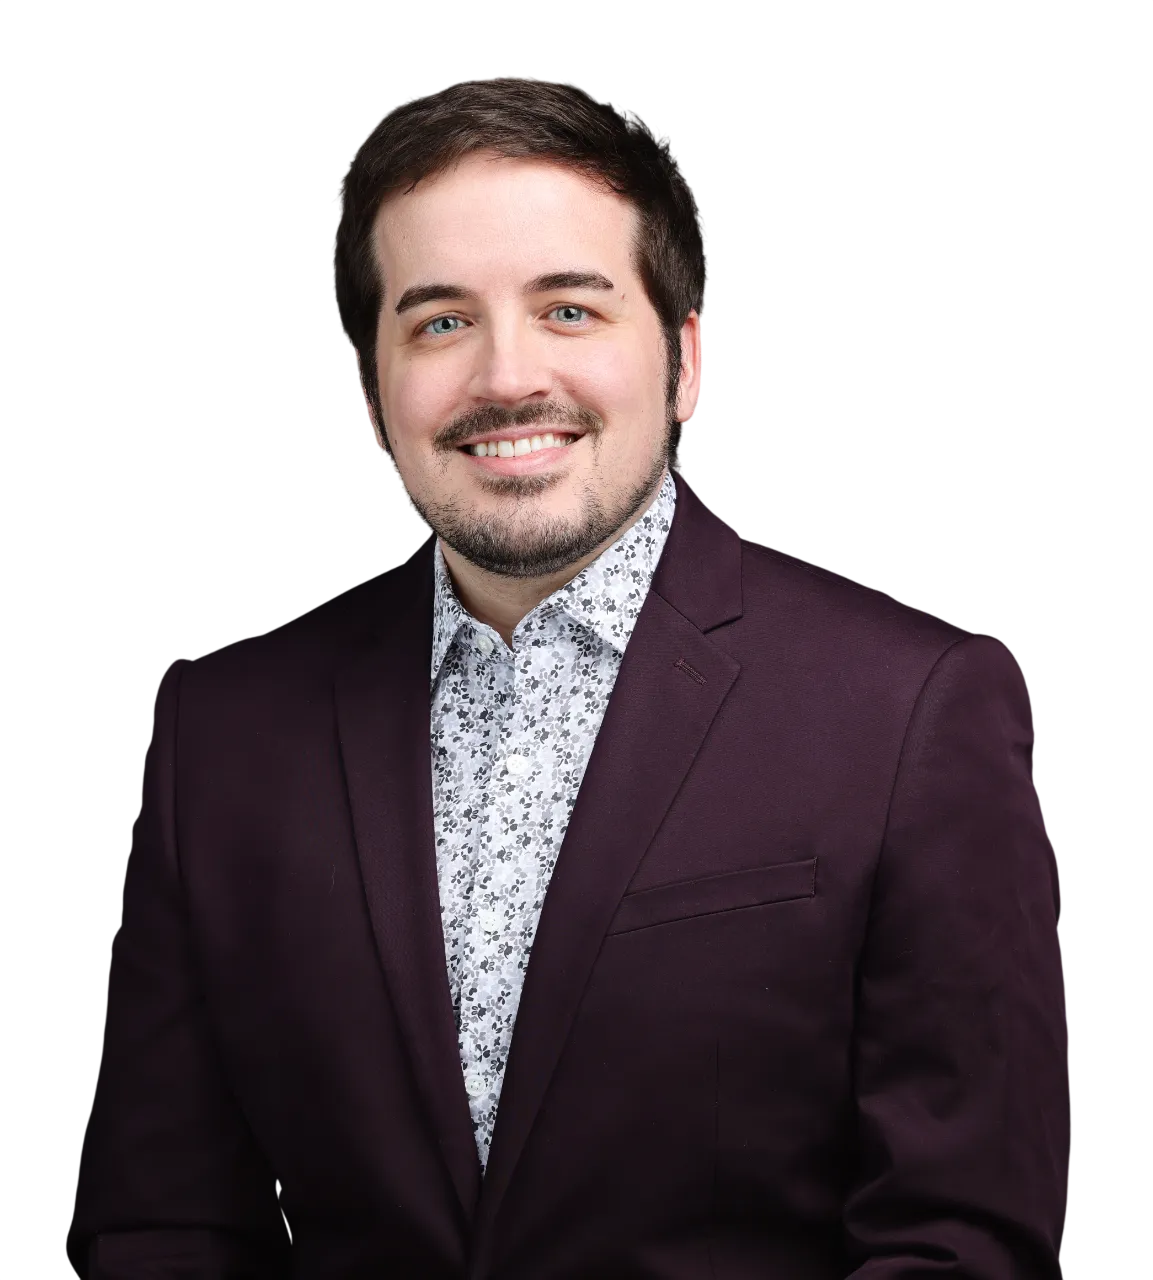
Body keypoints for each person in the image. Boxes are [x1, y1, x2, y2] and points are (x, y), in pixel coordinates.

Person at [66, 75, 1070, 1277]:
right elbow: (164, 1224)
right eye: (441, 322)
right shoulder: (218, 732)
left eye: (569, 309)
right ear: (368, 396)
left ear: (686, 359)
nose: (506, 376)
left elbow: (959, 1235)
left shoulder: (914, 707)